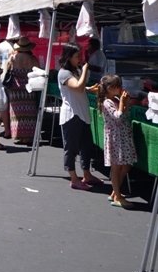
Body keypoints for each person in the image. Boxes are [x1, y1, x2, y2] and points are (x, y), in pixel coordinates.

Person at [57, 42, 103, 191]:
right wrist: (84, 71)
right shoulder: (64, 73)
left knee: (86, 146)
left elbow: (79, 87)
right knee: (71, 148)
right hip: (72, 115)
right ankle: (74, 178)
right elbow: (77, 88)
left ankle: (87, 174)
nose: (80, 59)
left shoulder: (74, 71)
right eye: (77, 56)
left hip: (81, 113)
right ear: (68, 57)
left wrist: (88, 88)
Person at [98, 74, 137, 209]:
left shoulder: (114, 99)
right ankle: (118, 197)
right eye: (118, 86)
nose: (121, 88)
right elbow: (118, 117)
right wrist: (121, 103)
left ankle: (115, 192)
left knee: (126, 166)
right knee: (116, 167)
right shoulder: (107, 102)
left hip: (123, 137)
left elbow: (125, 114)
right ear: (109, 88)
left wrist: (125, 103)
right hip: (115, 138)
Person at [6, 37, 39, 144]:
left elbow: (7, 69)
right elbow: (38, 72)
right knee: (29, 113)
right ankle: (28, 137)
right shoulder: (33, 59)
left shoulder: (12, 58)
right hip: (29, 88)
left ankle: (19, 135)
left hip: (15, 89)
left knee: (17, 113)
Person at [0, 38, 16, 138]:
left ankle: (7, 130)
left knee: (4, 107)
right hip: (11, 79)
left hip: (0, 79)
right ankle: (13, 129)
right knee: (13, 105)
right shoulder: (11, 48)